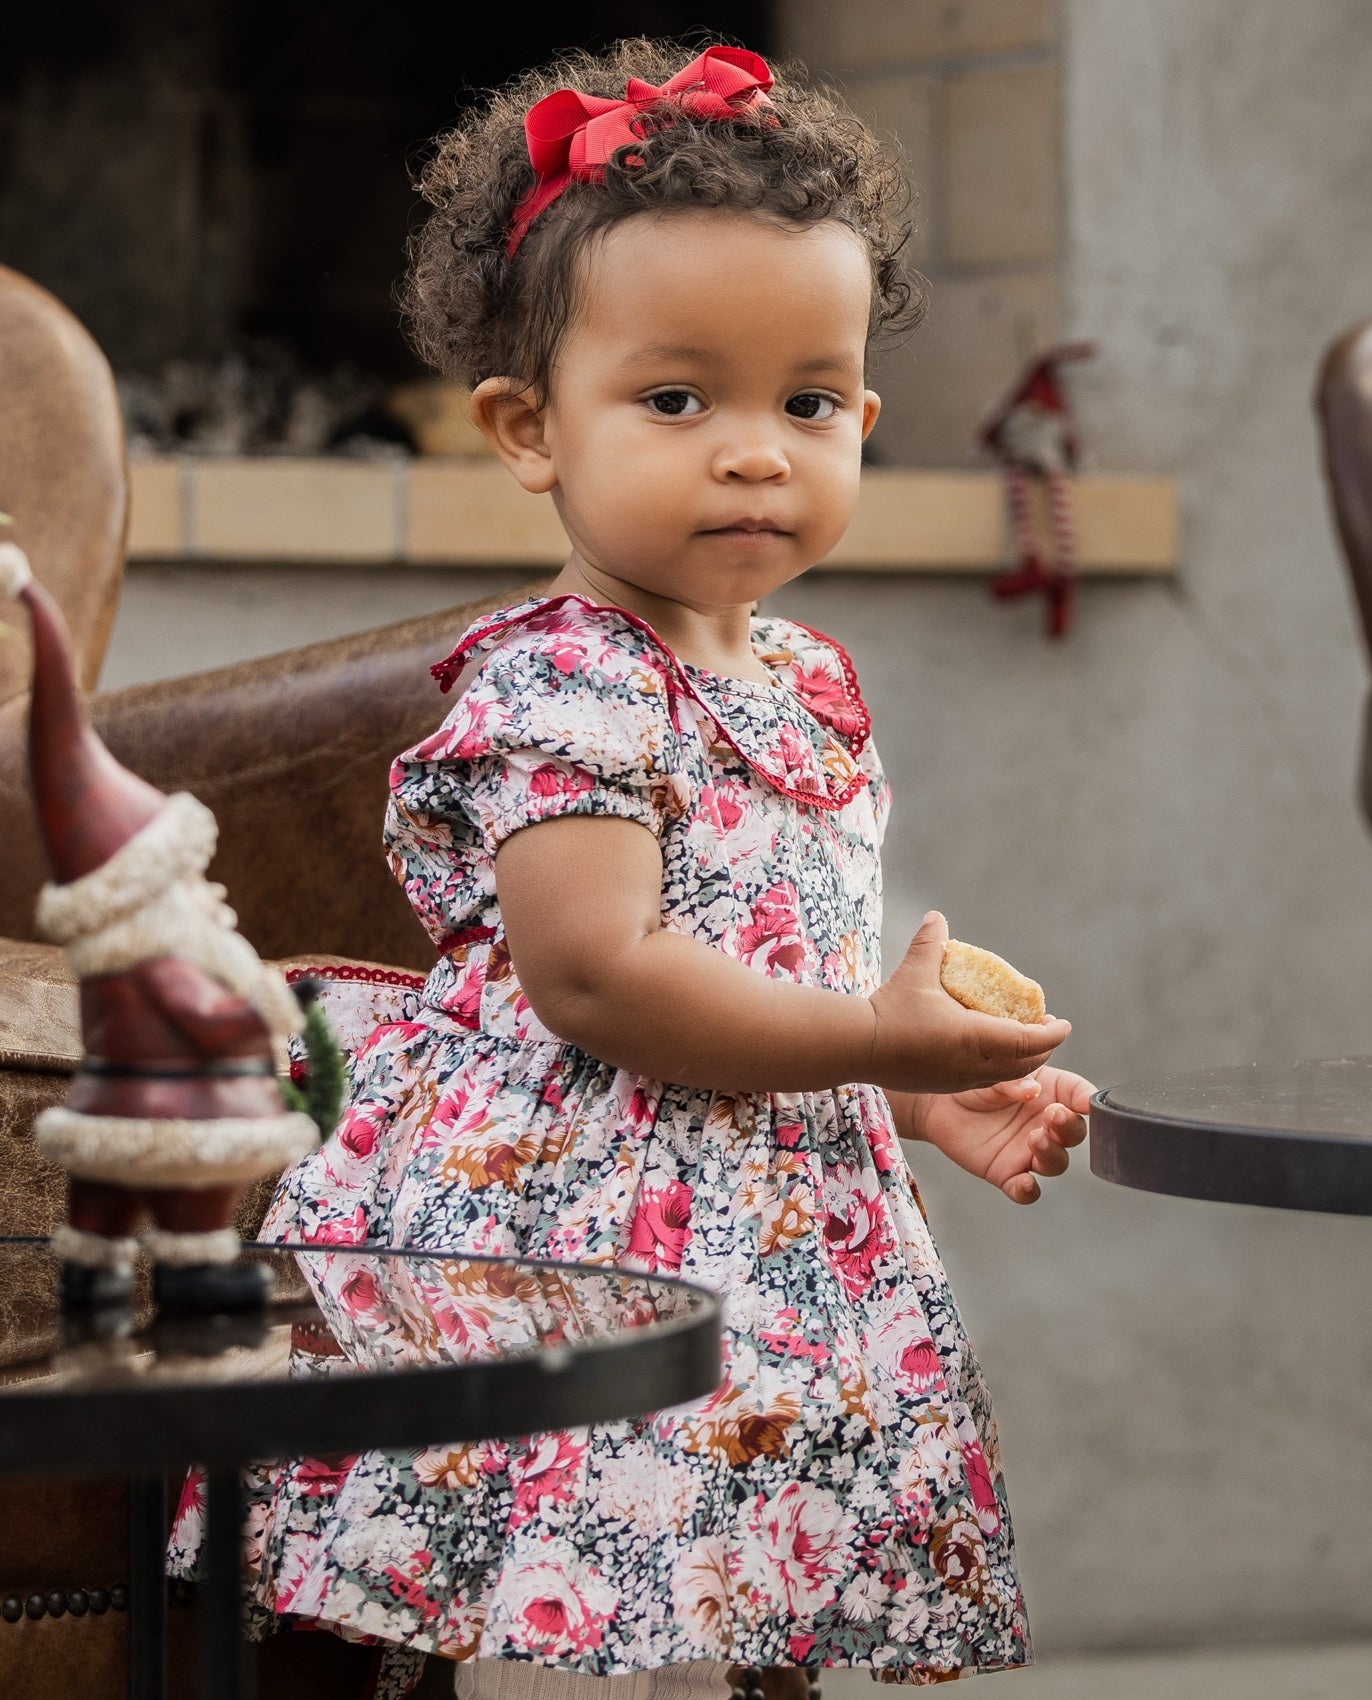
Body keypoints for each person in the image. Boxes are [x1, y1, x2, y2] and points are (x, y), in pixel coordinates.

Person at [236, 36, 1092, 1700]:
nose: (757, 450)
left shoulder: (810, 677)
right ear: (526, 427)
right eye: (677, 398)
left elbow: (772, 970)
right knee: (527, 1591)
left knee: (750, 1584)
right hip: (565, 1232)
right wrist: (874, 1046)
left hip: (769, 1223)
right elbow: (602, 978)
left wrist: (910, 1095)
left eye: (810, 402)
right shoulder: (568, 678)